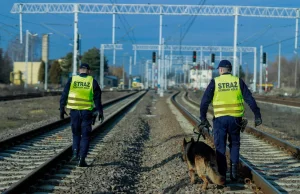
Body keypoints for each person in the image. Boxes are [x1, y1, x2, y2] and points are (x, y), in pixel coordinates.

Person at [198, 60, 262, 182]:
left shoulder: (215, 82)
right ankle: (233, 174)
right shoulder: (238, 81)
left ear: (221, 70)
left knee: (220, 147)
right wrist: (257, 115)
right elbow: (250, 99)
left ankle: (222, 174)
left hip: (220, 120)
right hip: (235, 120)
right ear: (230, 70)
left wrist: (203, 118)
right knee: (235, 145)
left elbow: (204, 101)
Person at [60, 63, 104, 167]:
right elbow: (97, 99)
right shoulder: (92, 81)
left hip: (74, 111)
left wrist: (62, 108)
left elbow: (64, 94)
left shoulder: (72, 80)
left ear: (79, 70)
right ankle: (82, 158)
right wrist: (100, 112)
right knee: (85, 136)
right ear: (89, 71)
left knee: (76, 134)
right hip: (86, 112)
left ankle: (75, 152)